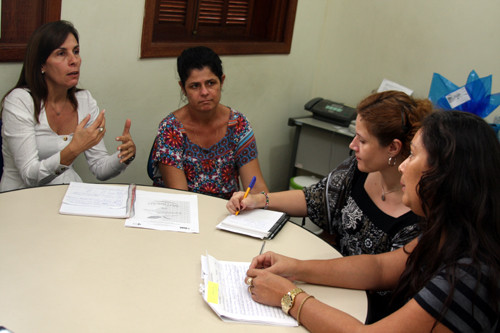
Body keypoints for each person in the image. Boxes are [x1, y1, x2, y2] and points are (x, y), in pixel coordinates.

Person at [244, 110, 500, 332]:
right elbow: (380, 268)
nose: (402, 166)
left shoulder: (469, 275)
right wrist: (294, 267)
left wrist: (289, 297)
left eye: (412, 156)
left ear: (444, 176)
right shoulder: (446, 233)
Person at [229, 91, 433, 322]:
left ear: (393, 148)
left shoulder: (418, 212)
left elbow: (379, 272)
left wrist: (292, 283)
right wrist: (261, 200)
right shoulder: (358, 170)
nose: (352, 145)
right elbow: (316, 198)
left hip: (369, 312)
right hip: (332, 284)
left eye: (363, 141)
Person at [0, 20, 136, 192]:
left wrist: (124, 155)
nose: (74, 61)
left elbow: (99, 168)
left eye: (76, 51)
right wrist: (73, 149)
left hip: (68, 197)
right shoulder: (19, 101)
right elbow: (29, 176)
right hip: (21, 199)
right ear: (41, 64)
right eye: (61, 54)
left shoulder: (84, 100)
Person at [151, 46, 268, 199]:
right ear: (183, 88)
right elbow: (181, 197)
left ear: (222, 81)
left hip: (230, 213)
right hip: (186, 213)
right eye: (195, 86)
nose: (205, 92)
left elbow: (256, 188)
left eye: (211, 83)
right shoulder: (171, 129)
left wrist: (259, 201)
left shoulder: (239, 125)